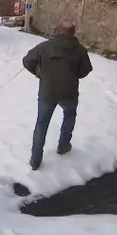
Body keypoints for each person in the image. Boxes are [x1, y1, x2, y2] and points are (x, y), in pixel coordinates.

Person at [22, 21, 93, 171]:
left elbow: (27, 60)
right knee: (69, 115)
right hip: (69, 92)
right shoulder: (80, 50)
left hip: (47, 92)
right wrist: (74, 74)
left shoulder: (44, 47)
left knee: (41, 124)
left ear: (58, 30)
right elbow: (85, 70)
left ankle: (35, 160)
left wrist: (38, 72)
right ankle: (63, 145)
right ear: (73, 33)